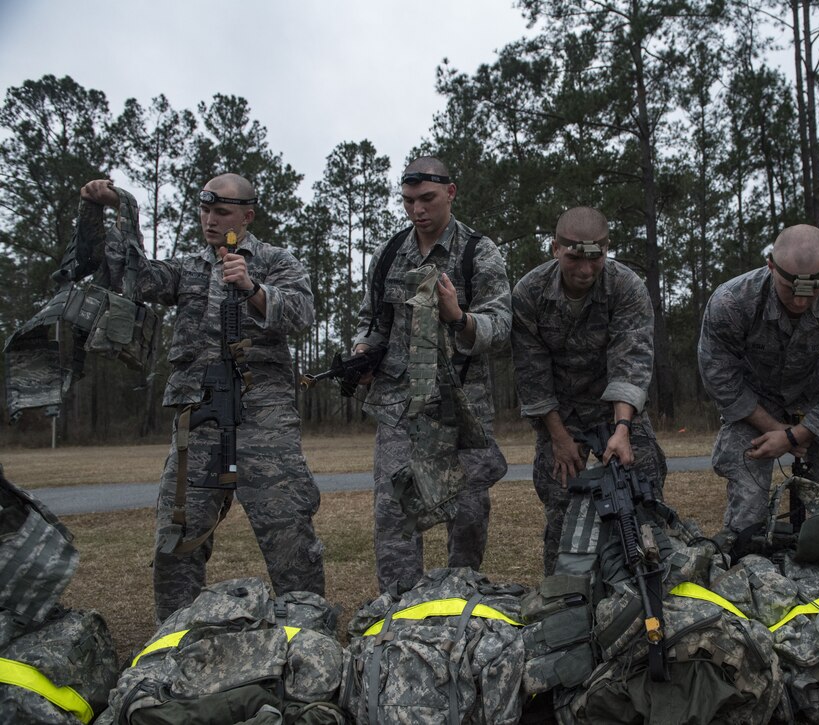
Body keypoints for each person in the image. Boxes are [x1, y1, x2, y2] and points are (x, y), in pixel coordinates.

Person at [80, 174, 325, 622]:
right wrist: (117, 208)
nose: (210, 221)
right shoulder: (188, 268)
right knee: (177, 533)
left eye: (222, 213)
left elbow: (304, 314)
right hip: (200, 419)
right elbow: (130, 276)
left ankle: (309, 633)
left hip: (262, 419)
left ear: (246, 217)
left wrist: (253, 289)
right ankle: (174, 636)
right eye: (205, 211)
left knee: (288, 529)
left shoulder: (274, 260)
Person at [352, 157, 510, 594]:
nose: (417, 210)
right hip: (398, 406)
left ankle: (461, 599)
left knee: (468, 511)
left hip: (461, 408)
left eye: (427, 199)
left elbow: (500, 327)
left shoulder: (480, 252)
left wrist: (459, 317)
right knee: (395, 512)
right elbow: (372, 320)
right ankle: (398, 611)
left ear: (451, 193)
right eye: (408, 201)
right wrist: (362, 352)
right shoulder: (390, 253)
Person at [697, 224, 819, 544]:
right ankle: (746, 565)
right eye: (790, 287)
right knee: (748, 513)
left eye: (812, 288)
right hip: (753, 404)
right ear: (770, 265)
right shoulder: (733, 301)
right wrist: (778, 431)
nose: (800, 300)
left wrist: (800, 433)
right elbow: (719, 375)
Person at [511, 206, 666, 575]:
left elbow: (631, 361)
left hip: (617, 411)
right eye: (574, 258)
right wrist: (559, 438)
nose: (584, 270)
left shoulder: (626, 287)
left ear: (607, 249)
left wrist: (623, 430)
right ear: (554, 248)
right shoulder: (529, 293)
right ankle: (563, 597)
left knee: (643, 489)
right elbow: (532, 374)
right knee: (563, 501)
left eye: (595, 258)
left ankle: (649, 582)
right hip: (559, 415)